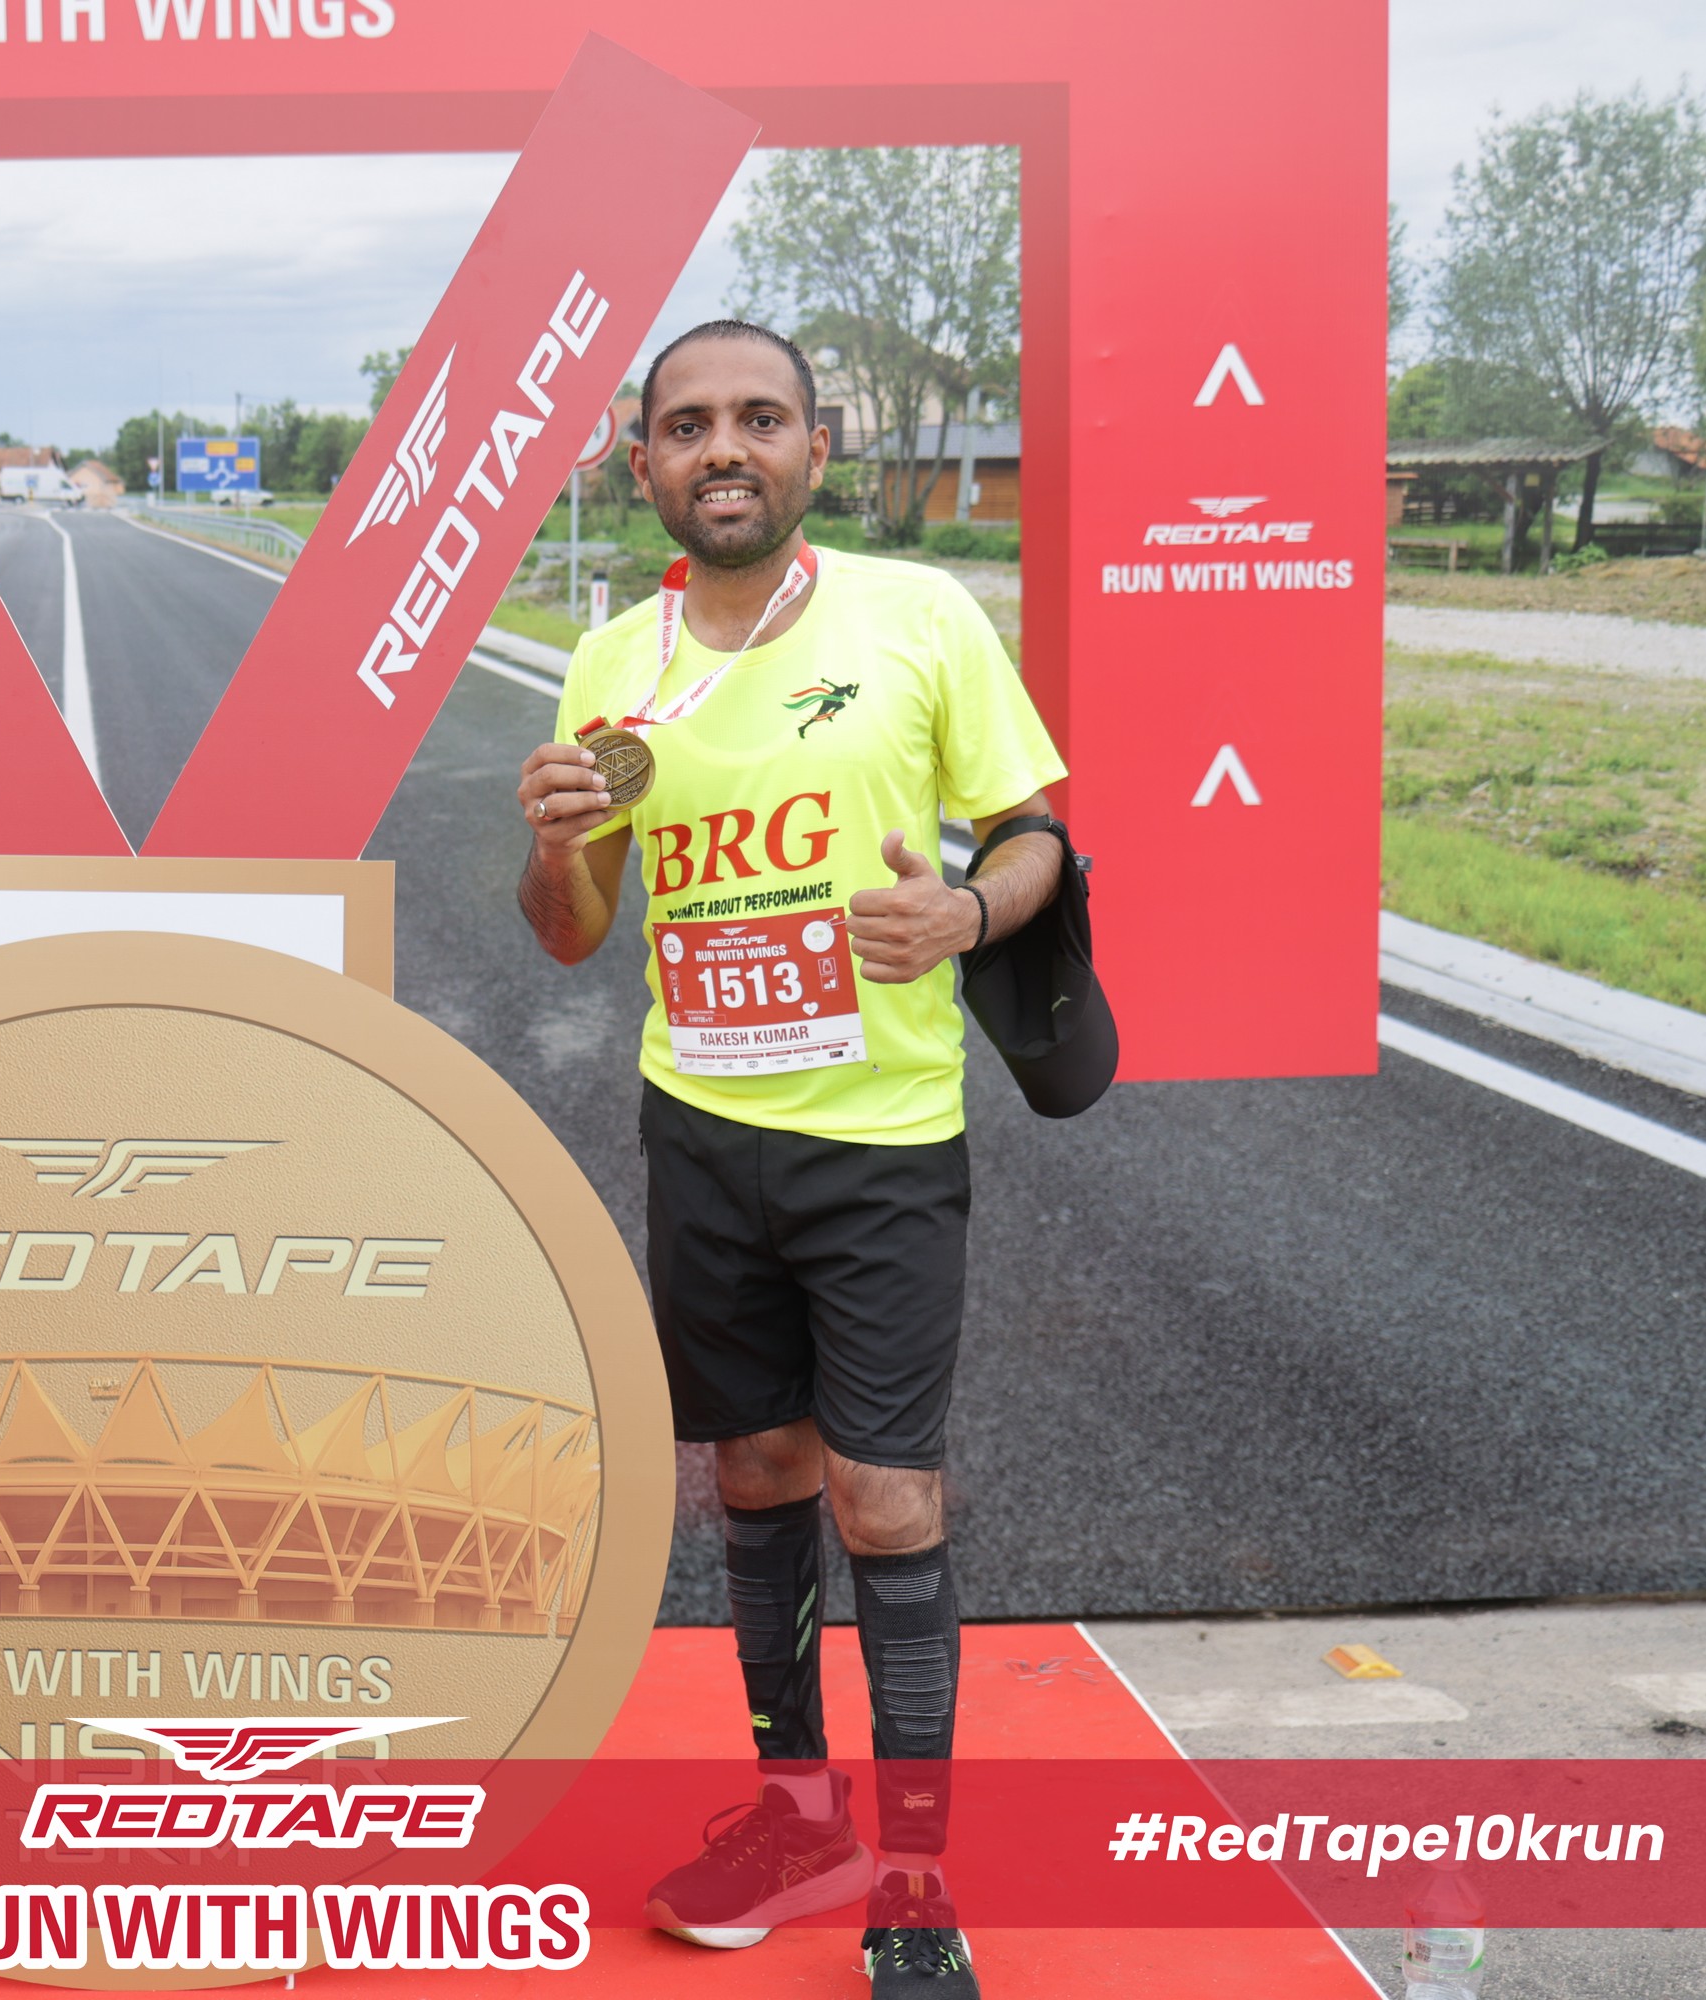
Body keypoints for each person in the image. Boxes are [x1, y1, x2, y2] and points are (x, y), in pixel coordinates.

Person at [514, 321, 1066, 1997]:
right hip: (702, 1132)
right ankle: (796, 1815)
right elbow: (571, 932)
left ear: (816, 450)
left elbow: (1036, 835)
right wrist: (551, 846)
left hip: (880, 1142)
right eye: (689, 426)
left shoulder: (919, 615)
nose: (725, 448)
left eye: (760, 418)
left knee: (885, 1495)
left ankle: (914, 1875)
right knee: (754, 1475)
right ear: (645, 465)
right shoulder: (611, 661)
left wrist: (966, 910)